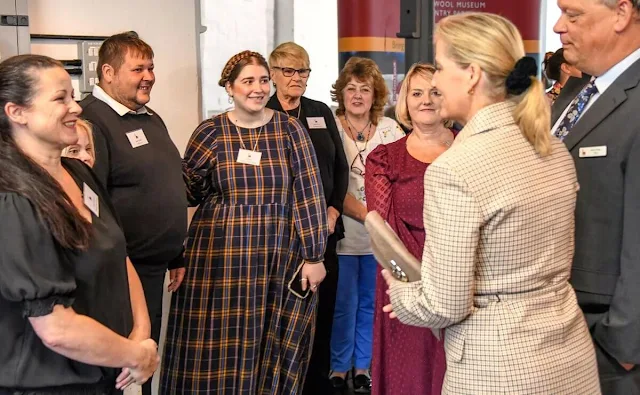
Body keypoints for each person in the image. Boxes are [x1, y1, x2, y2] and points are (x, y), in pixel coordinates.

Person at [381, 12, 601, 394]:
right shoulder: (552, 148)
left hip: (497, 366)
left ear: (471, 74)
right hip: (569, 356)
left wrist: (400, 290)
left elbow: (444, 305)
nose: (433, 80)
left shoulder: (455, 169)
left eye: (440, 66)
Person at [160, 50, 329, 394]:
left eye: (263, 80)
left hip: (278, 256)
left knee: (273, 339)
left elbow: (309, 192)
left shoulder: (290, 130)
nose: (258, 88)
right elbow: (189, 193)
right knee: (217, 341)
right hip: (219, 258)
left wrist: (314, 256)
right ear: (230, 87)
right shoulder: (210, 132)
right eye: (248, 81)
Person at [0, 54, 159, 394]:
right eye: (60, 99)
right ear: (17, 112)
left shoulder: (80, 174)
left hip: (108, 372)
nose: (76, 108)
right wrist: (135, 354)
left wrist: (141, 333)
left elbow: (118, 254)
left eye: (73, 96)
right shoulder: (12, 199)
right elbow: (56, 328)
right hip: (51, 386)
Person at [78, 31, 187, 395]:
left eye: (151, 67)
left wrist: (176, 253)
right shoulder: (93, 120)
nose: (149, 76)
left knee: (143, 360)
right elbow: (92, 203)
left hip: (153, 268)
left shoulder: (148, 116)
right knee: (119, 370)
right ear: (108, 73)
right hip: (121, 272)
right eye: (138, 68)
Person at [551, 0, 640, 393]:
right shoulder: (579, 95)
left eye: (573, 15)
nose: (557, 26)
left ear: (621, 14)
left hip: (613, 343)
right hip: (568, 325)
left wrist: (624, 342)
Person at [265, 42, 349, 395]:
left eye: (303, 71)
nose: (297, 78)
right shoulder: (263, 113)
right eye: (289, 71)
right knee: (282, 317)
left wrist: (333, 209)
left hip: (324, 232)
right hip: (281, 238)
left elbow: (340, 167)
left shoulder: (319, 112)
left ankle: (316, 384)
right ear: (272, 75)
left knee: (323, 312)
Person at [365, 62, 453, 395]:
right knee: (407, 374)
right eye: (416, 93)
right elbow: (382, 227)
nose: (426, 100)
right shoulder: (384, 158)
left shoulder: (469, 150)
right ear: (405, 101)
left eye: (435, 91)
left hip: (459, 280)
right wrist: (417, 281)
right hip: (403, 278)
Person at [329, 56, 404, 394]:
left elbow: (400, 179)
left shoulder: (390, 130)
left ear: (376, 95)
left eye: (365, 89)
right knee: (343, 304)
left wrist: (380, 218)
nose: (357, 96)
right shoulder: (329, 125)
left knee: (370, 305)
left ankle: (363, 367)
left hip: (381, 238)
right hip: (343, 234)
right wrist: (365, 214)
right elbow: (329, 183)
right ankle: (338, 367)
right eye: (351, 89)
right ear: (341, 93)